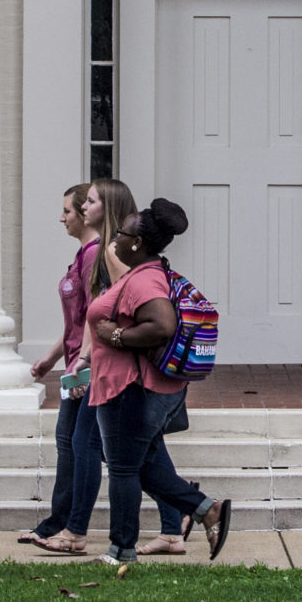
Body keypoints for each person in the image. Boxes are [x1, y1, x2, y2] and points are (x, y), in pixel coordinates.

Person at [27, 180, 191, 556]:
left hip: (110, 374)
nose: (83, 206)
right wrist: (60, 357)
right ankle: (180, 516)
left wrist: (91, 355)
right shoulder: (107, 254)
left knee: (96, 449)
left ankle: (88, 534)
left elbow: (118, 314)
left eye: (91, 201)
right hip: (93, 367)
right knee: (124, 451)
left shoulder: (118, 261)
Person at [86, 198, 230, 566]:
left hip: (132, 388)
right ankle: (204, 509)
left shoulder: (145, 279)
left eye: (121, 234)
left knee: (122, 469)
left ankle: (121, 550)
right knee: (133, 462)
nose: (115, 239)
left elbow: (162, 326)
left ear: (136, 243)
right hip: (140, 387)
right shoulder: (150, 273)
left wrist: (114, 335)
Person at [18, 182, 97, 551]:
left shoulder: (93, 255)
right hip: (71, 366)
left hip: (85, 370)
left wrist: (81, 362)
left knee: (77, 445)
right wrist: (53, 357)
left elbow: (93, 317)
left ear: (85, 213)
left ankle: (62, 525)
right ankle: (58, 524)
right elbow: (75, 320)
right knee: (72, 444)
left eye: (67, 211)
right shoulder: (81, 256)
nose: (61, 217)